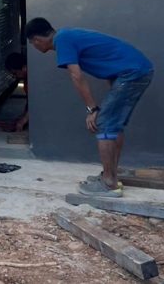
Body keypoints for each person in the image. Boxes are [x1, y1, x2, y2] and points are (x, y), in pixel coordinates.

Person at [25, 17, 153, 197]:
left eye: (32, 43)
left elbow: (76, 76)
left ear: (37, 40)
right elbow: (110, 62)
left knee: (104, 123)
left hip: (131, 74)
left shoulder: (62, 40)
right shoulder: (67, 35)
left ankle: (108, 184)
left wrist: (92, 109)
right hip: (134, 71)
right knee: (113, 124)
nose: (34, 47)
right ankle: (111, 175)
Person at [0, 52, 29, 132]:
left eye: (15, 73)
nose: (15, 76)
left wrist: (24, 120)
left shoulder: (33, 80)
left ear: (24, 68)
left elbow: (37, 102)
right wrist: (24, 116)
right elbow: (30, 102)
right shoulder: (27, 80)